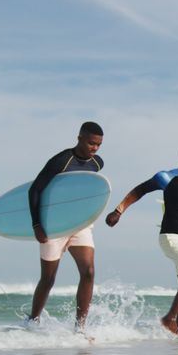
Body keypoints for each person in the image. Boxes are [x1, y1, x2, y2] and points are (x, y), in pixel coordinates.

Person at [105, 146, 178, 335]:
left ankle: (177, 330)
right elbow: (139, 191)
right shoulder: (166, 177)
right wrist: (118, 211)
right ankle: (169, 318)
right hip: (171, 236)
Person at [27, 121, 104, 330]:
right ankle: (32, 321)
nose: (94, 148)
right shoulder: (60, 161)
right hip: (54, 225)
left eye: (98, 145)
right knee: (49, 278)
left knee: (88, 271)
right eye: (91, 143)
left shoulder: (97, 164)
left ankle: (80, 327)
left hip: (80, 224)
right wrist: (37, 224)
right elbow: (35, 190)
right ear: (79, 138)